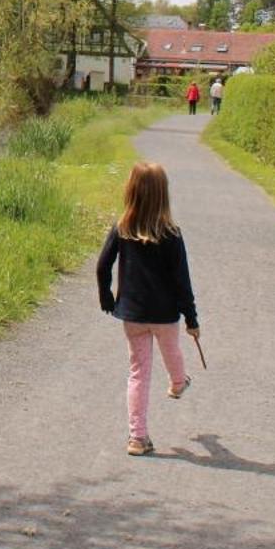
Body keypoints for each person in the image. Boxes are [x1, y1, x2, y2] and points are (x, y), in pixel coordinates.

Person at [96, 162, 200, 456]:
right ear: (163, 195)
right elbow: (182, 281)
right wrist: (191, 318)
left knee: (138, 372)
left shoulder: (122, 228)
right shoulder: (171, 233)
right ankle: (179, 383)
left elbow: (103, 265)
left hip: (133, 315)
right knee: (173, 354)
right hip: (165, 316)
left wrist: (107, 298)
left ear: (131, 191)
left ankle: (137, 438)